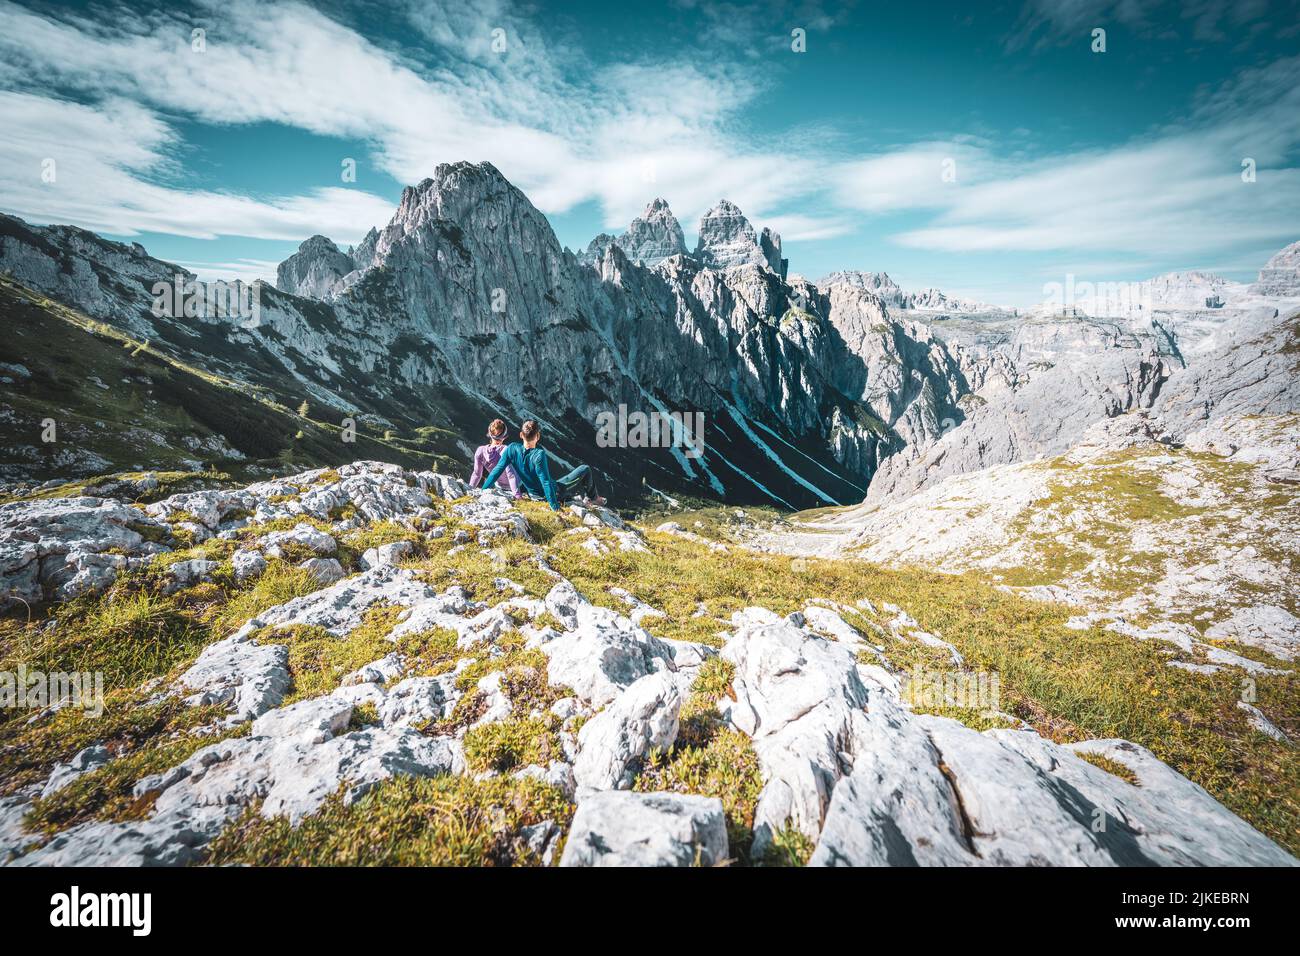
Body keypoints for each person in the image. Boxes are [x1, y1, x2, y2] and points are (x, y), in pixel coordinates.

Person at [482, 419, 605, 511]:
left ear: (521, 435)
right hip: (552, 492)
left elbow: (496, 471)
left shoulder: (512, 448)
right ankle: (593, 498)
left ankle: (580, 498)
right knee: (585, 469)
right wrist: (555, 508)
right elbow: (545, 482)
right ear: (538, 436)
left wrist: (483, 491)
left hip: (531, 492)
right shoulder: (538, 454)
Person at [469, 418, 522, 498]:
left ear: (490, 434)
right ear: (504, 437)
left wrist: (470, 490)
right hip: (518, 486)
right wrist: (518, 495)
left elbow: (477, 474)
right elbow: (511, 475)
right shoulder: (505, 450)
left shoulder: (480, 451)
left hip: (499, 486)